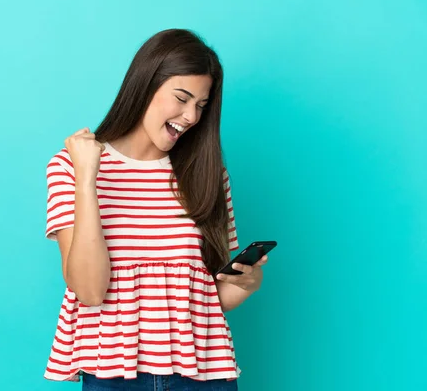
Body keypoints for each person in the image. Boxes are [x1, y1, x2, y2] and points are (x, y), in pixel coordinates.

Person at [43, 28, 268, 391]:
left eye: (201, 105)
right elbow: (89, 291)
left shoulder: (207, 175)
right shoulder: (71, 166)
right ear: (145, 85)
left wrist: (245, 286)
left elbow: (206, 297)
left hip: (205, 375)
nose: (191, 116)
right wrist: (88, 180)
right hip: (115, 377)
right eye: (182, 98)